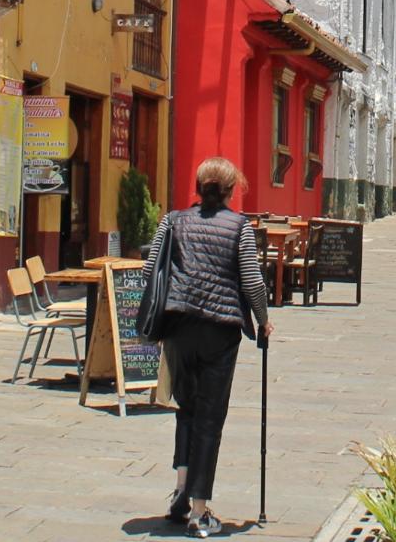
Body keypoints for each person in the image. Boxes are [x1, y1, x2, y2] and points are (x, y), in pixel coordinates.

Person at [146, 157, 273, 538]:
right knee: (209, 418)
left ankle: (181, 491)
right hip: (220, 329)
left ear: (199, 187)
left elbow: (151, 268)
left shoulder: (173, 221)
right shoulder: (239, 226)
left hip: (179, 325)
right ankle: (199, 512)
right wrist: (263, 319)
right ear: (231, 190)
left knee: (186, 409)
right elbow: (251, 281)